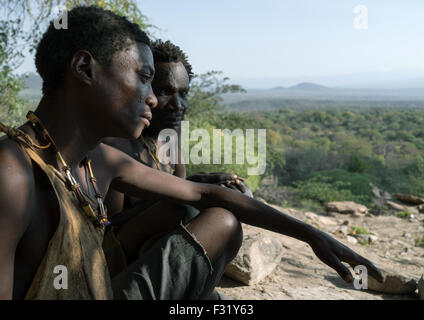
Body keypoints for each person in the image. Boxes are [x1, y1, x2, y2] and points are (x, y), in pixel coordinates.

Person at [0, 6, 382, 300]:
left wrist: (313, 235)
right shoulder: (13, 173)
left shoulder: (97, 159)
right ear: (85, 68)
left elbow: (205, 195)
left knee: (219, 218)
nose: (153, 98)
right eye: (145, 78)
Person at [101, 41, 252, 283]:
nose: (177, 105)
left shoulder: (169, 135)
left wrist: (219, 187)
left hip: (158, 247)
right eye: (164, 92)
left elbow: (182, 187)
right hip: (115, 257)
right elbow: (106, 225)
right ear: (144, 91)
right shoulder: (117, 141)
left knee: (229, 206)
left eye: (183, 93)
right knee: (185, 207)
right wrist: (192, 189)